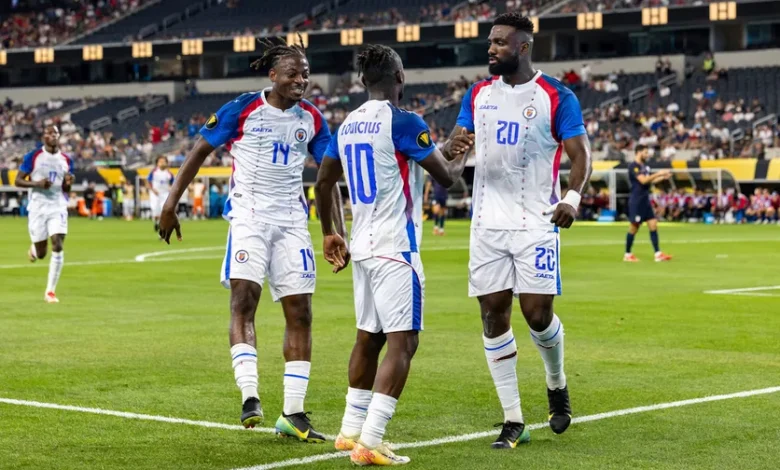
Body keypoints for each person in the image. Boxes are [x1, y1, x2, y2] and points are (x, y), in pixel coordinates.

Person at [157, 39, 345, 442]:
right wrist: (170, 204)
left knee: (301, 313)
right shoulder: (242, 108)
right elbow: (199, 151)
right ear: (272, 75)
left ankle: (293, 413)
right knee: (244, 301)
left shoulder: (312, 118)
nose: (301, 79)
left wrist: (333, 232)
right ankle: (250, 395)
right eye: (293, 73)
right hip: (249, 218)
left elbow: (327, 177)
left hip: (293, 223)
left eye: (306, 73)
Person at [314, 44, 473, 466]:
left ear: (363, 81)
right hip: (396, 248)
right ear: (400, 76)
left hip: (363, 247)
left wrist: (330, 233)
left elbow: (323, 184)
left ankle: (349, 431)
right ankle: (371, 441)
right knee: (404, 343)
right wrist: (462, 152)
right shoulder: (405, 121)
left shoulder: (347, 125)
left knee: (369, 337)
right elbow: (447, 178)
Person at [443, 12, 593, 448]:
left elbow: (581, 155)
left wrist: (571, 197)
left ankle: (556, 381)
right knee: (493, 315)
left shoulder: (556, 95)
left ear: (523, 47)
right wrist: (448, 153)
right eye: (490, 42)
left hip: (536, 222)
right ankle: (513, 420)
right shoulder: (477, 94)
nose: (490, 49)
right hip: (487, 224)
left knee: (537, 315)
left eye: (499, 42)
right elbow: (453, 158)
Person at [14, 125, 74, 303]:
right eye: (49, 133)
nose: (53, 135)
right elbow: (17, 181)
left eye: (55, 133)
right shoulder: (33, 157)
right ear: (43, 137)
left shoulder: (66, 160)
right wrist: (37, 184)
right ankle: (34, 249)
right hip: (38, 207)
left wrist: (68, 183)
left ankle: (50, 291)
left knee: (57, 243)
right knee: (41, 253)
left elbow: (65, 188)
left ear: (59, 136)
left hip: (58, 206)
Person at [624, 145, 673, 262]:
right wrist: (659, 173)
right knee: (634, 228)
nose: (647, 155)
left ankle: (658, 254)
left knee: (653, 224)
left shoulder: (645, 166)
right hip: (637, 201)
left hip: (645, 200)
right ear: (638, 152)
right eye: (645, 152)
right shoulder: (633, 166)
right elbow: (643, 180)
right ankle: (627, 254)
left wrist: (663, 177)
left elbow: (650, 181)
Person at [146, 155, 174, 234]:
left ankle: (162, 229)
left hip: (165, 194)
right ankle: (156, 222)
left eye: (164, 161)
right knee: (155, 211)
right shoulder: (154, 172)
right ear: (157, 163)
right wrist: (153, 189)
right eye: (160, 161)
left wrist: (170, 188)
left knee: (164, 211)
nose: (162, 163)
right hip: (155, 194)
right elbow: (148, 182)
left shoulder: (169, 174)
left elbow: (173, 183)